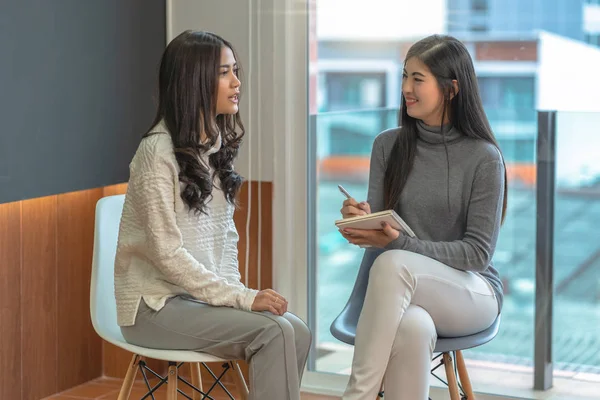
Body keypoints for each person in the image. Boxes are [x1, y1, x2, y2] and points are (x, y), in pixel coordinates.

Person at [114, 30, 311, 400]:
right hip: (153, 307)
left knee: (296, 329)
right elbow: (167, 255)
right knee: (273, 331)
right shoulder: (155, 154)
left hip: (194, 300)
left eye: (235, 70)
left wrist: (236, 293)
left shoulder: (214, 146)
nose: (237, 82)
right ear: (194, 81)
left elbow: (224, 241)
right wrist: (241, 299)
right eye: (225, 73)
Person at [338, 34, 507, 400]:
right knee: (412, 328)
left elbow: (477, 255)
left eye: (418, 79)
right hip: (405, 290)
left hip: (471, 292)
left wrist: (398, 244)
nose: (405, 89)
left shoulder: (484, 157)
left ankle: (357, 395)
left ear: (451, 89)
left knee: (395, 262)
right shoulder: (388, 145)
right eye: (404, 77)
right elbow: (380, 228)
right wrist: (359, 221)